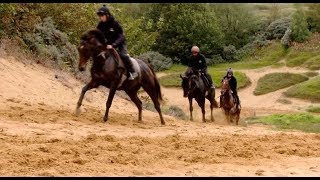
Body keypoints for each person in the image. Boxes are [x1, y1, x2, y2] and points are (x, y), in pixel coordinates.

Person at [96, 5, 138, 80]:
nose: (100, 17)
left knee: (123, 55)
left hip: (120, 42)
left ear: (107, 15)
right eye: (99, 15)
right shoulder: (100, 25)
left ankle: (133, 72)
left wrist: (113, 45)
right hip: (109, 44)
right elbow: (96, 34)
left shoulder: (114, 23)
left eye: (102, 15)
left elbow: (121, 36)